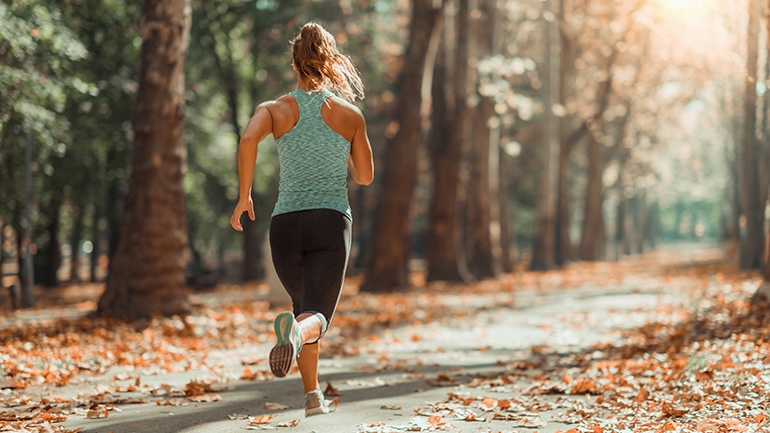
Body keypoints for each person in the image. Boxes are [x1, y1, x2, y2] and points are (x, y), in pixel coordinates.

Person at [229, 22, 374, 417]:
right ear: (329, 63)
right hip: (329, 221)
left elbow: (246, 141)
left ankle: (312, 397)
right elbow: (364, 176)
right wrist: (340, 147)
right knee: (317, 317)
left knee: (304, 308)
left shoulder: (273, 110)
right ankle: (293, 335)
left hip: (285, 225)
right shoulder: (349, 114)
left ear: (294, 63)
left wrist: (244, 196)